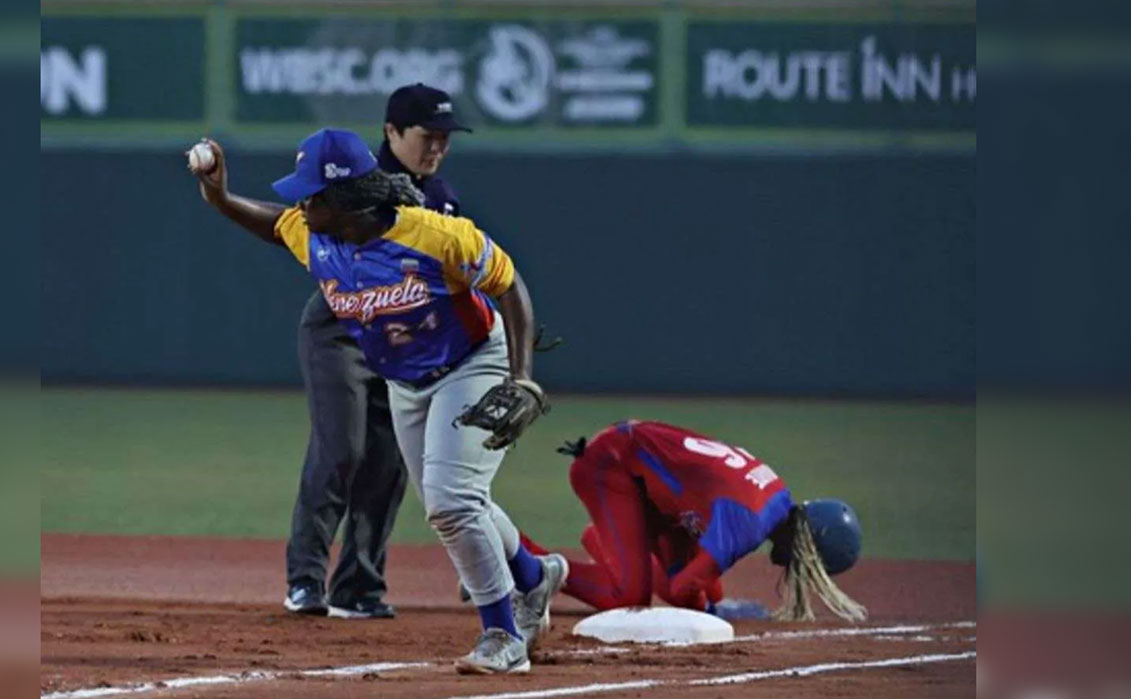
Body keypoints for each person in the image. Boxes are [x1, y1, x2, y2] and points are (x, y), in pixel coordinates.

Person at [188, 128, 566, 674]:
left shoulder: (434, 235)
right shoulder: (317, 237)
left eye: (311, 192)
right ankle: (533, 577)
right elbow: (275, 224)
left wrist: (522, 377)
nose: (301, 202)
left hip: (472, 362)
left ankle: (503, 635)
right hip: (406, 383)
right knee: (455, 501)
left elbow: (508, 285)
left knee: (451, 501)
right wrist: (221, 198)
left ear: (345, 200)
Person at [285, 84, 471, 620]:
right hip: (342, 328)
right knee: (341, 447)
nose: (436, 146)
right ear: (391, 132)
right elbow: (293, 223)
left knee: (389, 461)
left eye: (444, 137)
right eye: (426, 135)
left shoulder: (443, 199)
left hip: (405, 336)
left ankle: (358, 586)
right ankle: (304, 579)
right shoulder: (354, 183)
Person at [518, 419, 868, 622]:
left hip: (640, 476)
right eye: (811, 564)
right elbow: (679, 586)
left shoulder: (776, 494)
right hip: (611, 467)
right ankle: (515, 558)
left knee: (708, 587)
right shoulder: (748, 525)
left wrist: (708, 603)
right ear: (807, 546)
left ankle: (608, 544)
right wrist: (715, 612)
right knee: (627, 598)